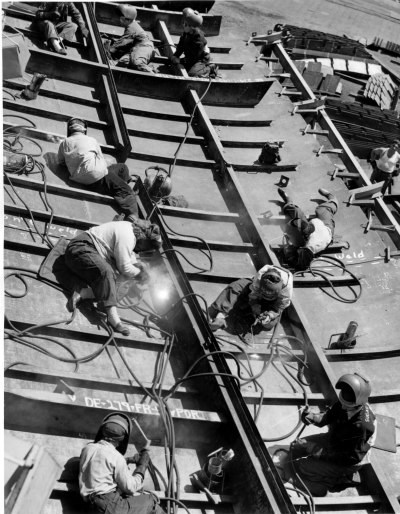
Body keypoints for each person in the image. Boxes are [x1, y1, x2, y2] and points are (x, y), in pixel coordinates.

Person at [64, 218, 162, 335]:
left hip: (91, 257)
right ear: (144, 239)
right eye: (143, 248)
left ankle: (84, 293)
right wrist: (140, 274)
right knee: (107, 271)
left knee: (124, 282)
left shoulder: (133, 234)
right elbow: (124, 267)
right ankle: (112, 318)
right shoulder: (128, 235)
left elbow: (130, 263)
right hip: (79, 249)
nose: (139, 251)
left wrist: (140, 270)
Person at [289, 373, 376, 496]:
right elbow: (327, 417)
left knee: (303, 466)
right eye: (344, 394)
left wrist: (316, 450)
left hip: (349, 460)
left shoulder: (363, 426)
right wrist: (312, 417)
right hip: (336, 441)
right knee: (296, 447)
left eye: (348, 397)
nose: (343, 401)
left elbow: (351, 458)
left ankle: (335, 482)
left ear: (358, 401)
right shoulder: (345, 404)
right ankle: (335, 474)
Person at [79, 412, 165, 513]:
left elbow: (102, 463)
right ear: (122, 439)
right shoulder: (117, 457)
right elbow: (130, 487)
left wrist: (127, 460)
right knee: (151, 502)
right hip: (110, 506)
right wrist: (141, 467)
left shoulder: (87, 449)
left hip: (92, 506)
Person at [58, 118, 139, 219]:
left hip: (79, 178)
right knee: (126, 190)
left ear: (70, 130)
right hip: (97, 178)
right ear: (84, 130)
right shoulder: (92, 140)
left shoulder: (64, 142)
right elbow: (101, 160)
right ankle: (134, 218)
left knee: (122, 167)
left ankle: (118, 186)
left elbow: (61, 162)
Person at [208, 264, 293, 335]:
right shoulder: (259, 277)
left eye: (270, 294)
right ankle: (221, 316)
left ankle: (260, 318)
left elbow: (279, 307)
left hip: (272, 303)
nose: (267, 295)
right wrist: (254, 304)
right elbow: (253, 294)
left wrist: (270, 315)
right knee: (237, 286)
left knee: (269, 324)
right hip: (256, 293)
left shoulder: (286, 290)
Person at [278, 187, 339, 270]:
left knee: (318, 210)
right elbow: (299, 223)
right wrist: (289, 228)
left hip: (323, 231)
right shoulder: (308, 230)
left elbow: (302, 263)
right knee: (301, 211)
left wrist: (289, 250)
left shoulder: (310, 249)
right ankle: (289, 201)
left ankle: (332, 199)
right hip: (321, 227)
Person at [104, 4, 155, 73]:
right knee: (122, 62)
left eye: (122, 18)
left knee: (137, 62)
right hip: (135, 48)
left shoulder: (131, 27)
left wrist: (109, 50)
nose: (120, 20)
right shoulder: (130, 26)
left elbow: (122, 42)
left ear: (128, 20)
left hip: (144, 46)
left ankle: (152, 75)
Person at [171, 8, 217, 78]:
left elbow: (194, 58)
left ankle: (211, 68)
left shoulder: (199, 40)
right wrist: (176, 55)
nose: (183, 25)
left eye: (185, 24)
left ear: (191, 27)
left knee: (192, 74)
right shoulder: (186, 33)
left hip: (201, 58)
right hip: (191, 55)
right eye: (184, 23)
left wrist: (180, 60)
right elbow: (181, 46)